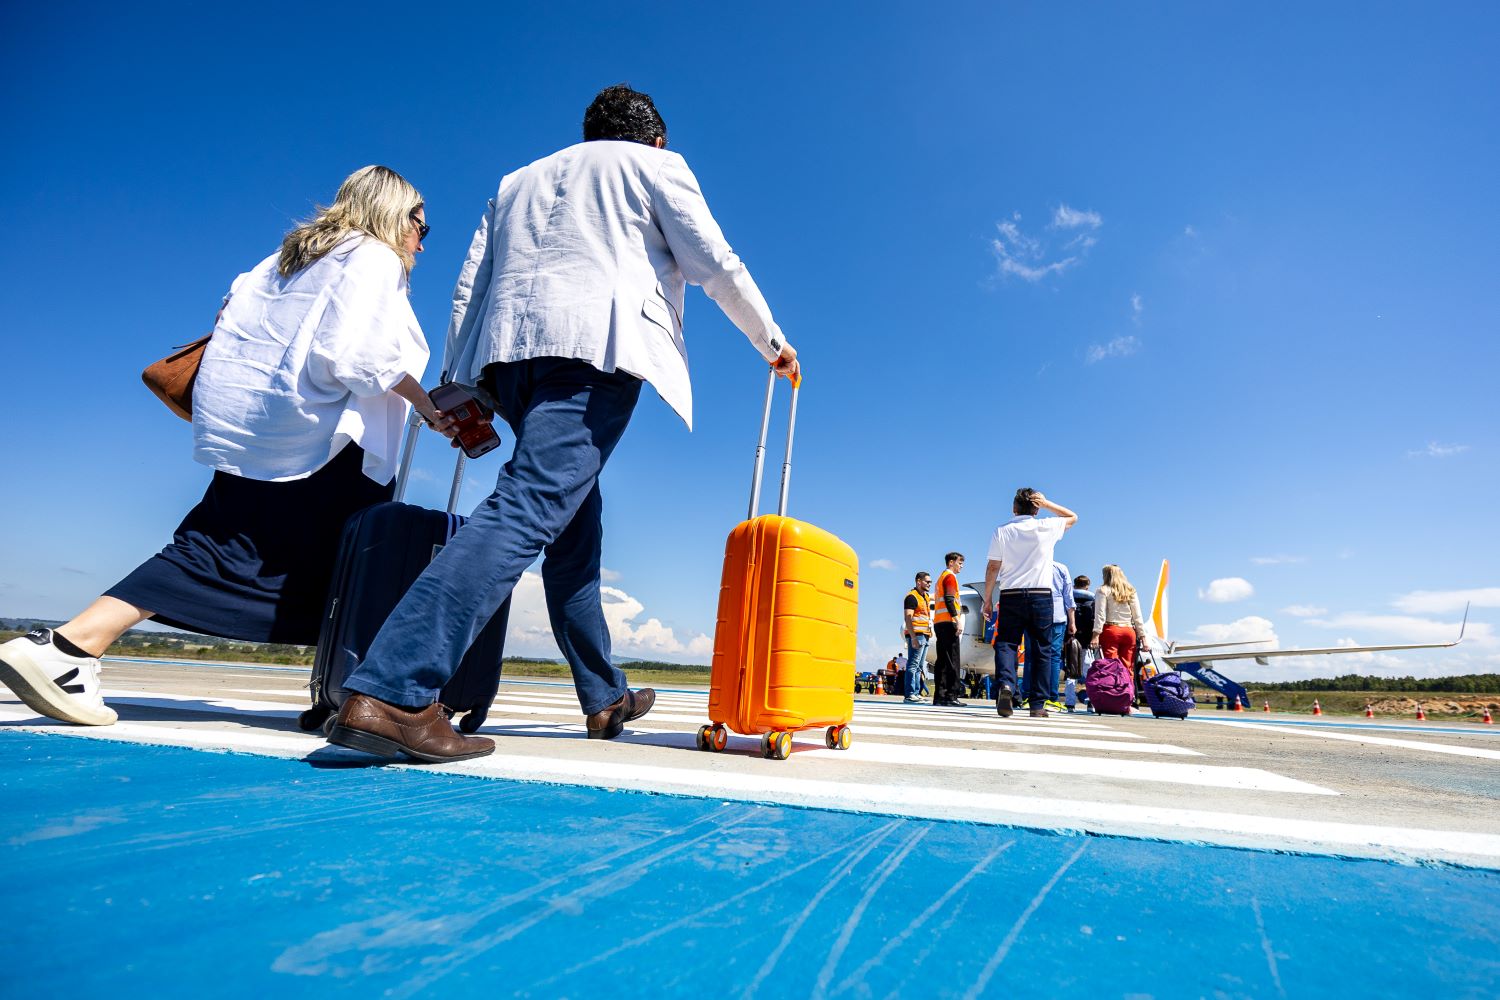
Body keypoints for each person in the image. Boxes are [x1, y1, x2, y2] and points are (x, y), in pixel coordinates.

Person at [327, 85, 800, 761]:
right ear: (655, 139)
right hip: (592, 352)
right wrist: (770, 341)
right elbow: (712, 261)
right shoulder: (655, 166)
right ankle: (393, 691)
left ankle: (603, 695)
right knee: (527, 507)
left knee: (575, 526)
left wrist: (461, 380)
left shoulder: (515, 181)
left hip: (509, 360)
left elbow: (470, 286)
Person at [0, 166, 451, 727]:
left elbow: (228, 328)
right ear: (390, 212)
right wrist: (429, 407)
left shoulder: (280, 261)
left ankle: (66, 648)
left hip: (257, 435)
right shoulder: (373, 257)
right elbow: (361, 356)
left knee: (218, 546)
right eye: (420, 226)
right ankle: (70, 647)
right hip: (328, 443)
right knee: (350, 566)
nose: (421, 243)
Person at [982, 489, 1078, 718]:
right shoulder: (1046, 526)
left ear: (1014, 509)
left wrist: (988, 599)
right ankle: (1037, 704)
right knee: (1042, 649)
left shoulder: (1002, 531)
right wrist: (1046, 504)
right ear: (1036, 509)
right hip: (1040, 595)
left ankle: (1006, 685)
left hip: (1011, 595)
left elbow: (993, 567)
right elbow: (1072, 517)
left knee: (1006, 643)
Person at [1091, 563, 1147, 683]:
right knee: (1128, 667)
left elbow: (1100, 615)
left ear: (1106, 575)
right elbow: (1137, 616)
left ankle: (1114, 692)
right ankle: (1128, 691)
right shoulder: (1130, 591)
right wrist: (1143, 637)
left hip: (1111, 630)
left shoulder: (1102, 590)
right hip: (1129, 631)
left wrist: (1095, 635)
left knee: (1111, 667)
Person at [932, 552, 966, 707]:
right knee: (953, 660)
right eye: (960, 563)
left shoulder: (941, 577)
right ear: (951, 562)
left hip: (939, 622)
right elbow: (949, 599)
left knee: (942, 661)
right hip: (948, 622)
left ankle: (940, 696)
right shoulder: (950, 577)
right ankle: (951, 696)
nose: (961, 566)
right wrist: (957, 620)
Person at [1047, 560, 1077, 711]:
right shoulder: (1060, 568)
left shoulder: (1032, 564)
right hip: (1057, 616)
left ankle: (1030, 695)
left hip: (1035, 616)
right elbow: (1068, 597)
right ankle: (1052, 697)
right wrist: (1072, 621)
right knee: (1054, 657)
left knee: (1033, 656)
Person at [902, 572, 934, 704]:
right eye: (927, 581)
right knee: (913, 665)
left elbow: (935, 596)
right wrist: (913, 637)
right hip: (917, 635)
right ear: (918, 581)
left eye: (930, 582)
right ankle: (910, 694)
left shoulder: (924, 596)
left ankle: (916, 693)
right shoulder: (912, 597)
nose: (929, 584)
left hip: (925, 635)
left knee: (919, 666)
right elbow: (908, 618)